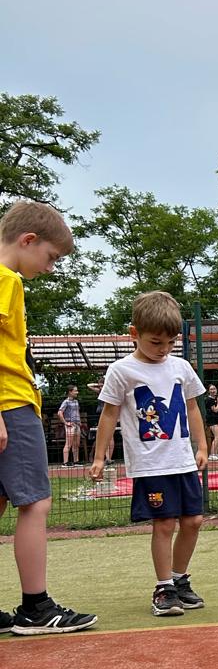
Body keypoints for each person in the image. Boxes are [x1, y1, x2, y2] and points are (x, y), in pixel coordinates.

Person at [0, 201, 97, 634]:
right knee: (35, 503)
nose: (51, 267)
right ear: (28, 240)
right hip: (9, 402)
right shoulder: (7, 279)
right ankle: (36, 607)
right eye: (51, 256)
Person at [89, 291, 208, 617]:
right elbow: (109, 414)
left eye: (171, 342)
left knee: (194, 521)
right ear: (134, 333)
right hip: (150, 464)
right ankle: (164, 588)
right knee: (164, 523)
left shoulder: (181, 366)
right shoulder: (121, 371)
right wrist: (99, 457)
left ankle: (179, 579)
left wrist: (202, 445)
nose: (164, 349)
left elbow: (192, 407)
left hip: (182, 461)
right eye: (156, 342)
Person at [56, 384, 83, 464]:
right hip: (70, 424)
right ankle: (65, 462)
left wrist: (79, 421)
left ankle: (76, 461)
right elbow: (60, 412)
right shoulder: (66, 402)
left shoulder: (76, 402)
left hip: (77, 424)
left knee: (76, 444)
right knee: (68, 443)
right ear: (70, 392)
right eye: (75, 391)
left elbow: (77, 412)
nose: (77, 392)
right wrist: (65, 422)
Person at [205, 383, 218, 459]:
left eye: (214, 389)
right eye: (211, 389)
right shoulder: (209, 400)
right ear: (208, 391)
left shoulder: (215, 399)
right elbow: (215, 410)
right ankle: (212, 454)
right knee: (216, 437)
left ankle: (216, 453)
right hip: (212, 420)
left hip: (217, 419)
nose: (213, 391)